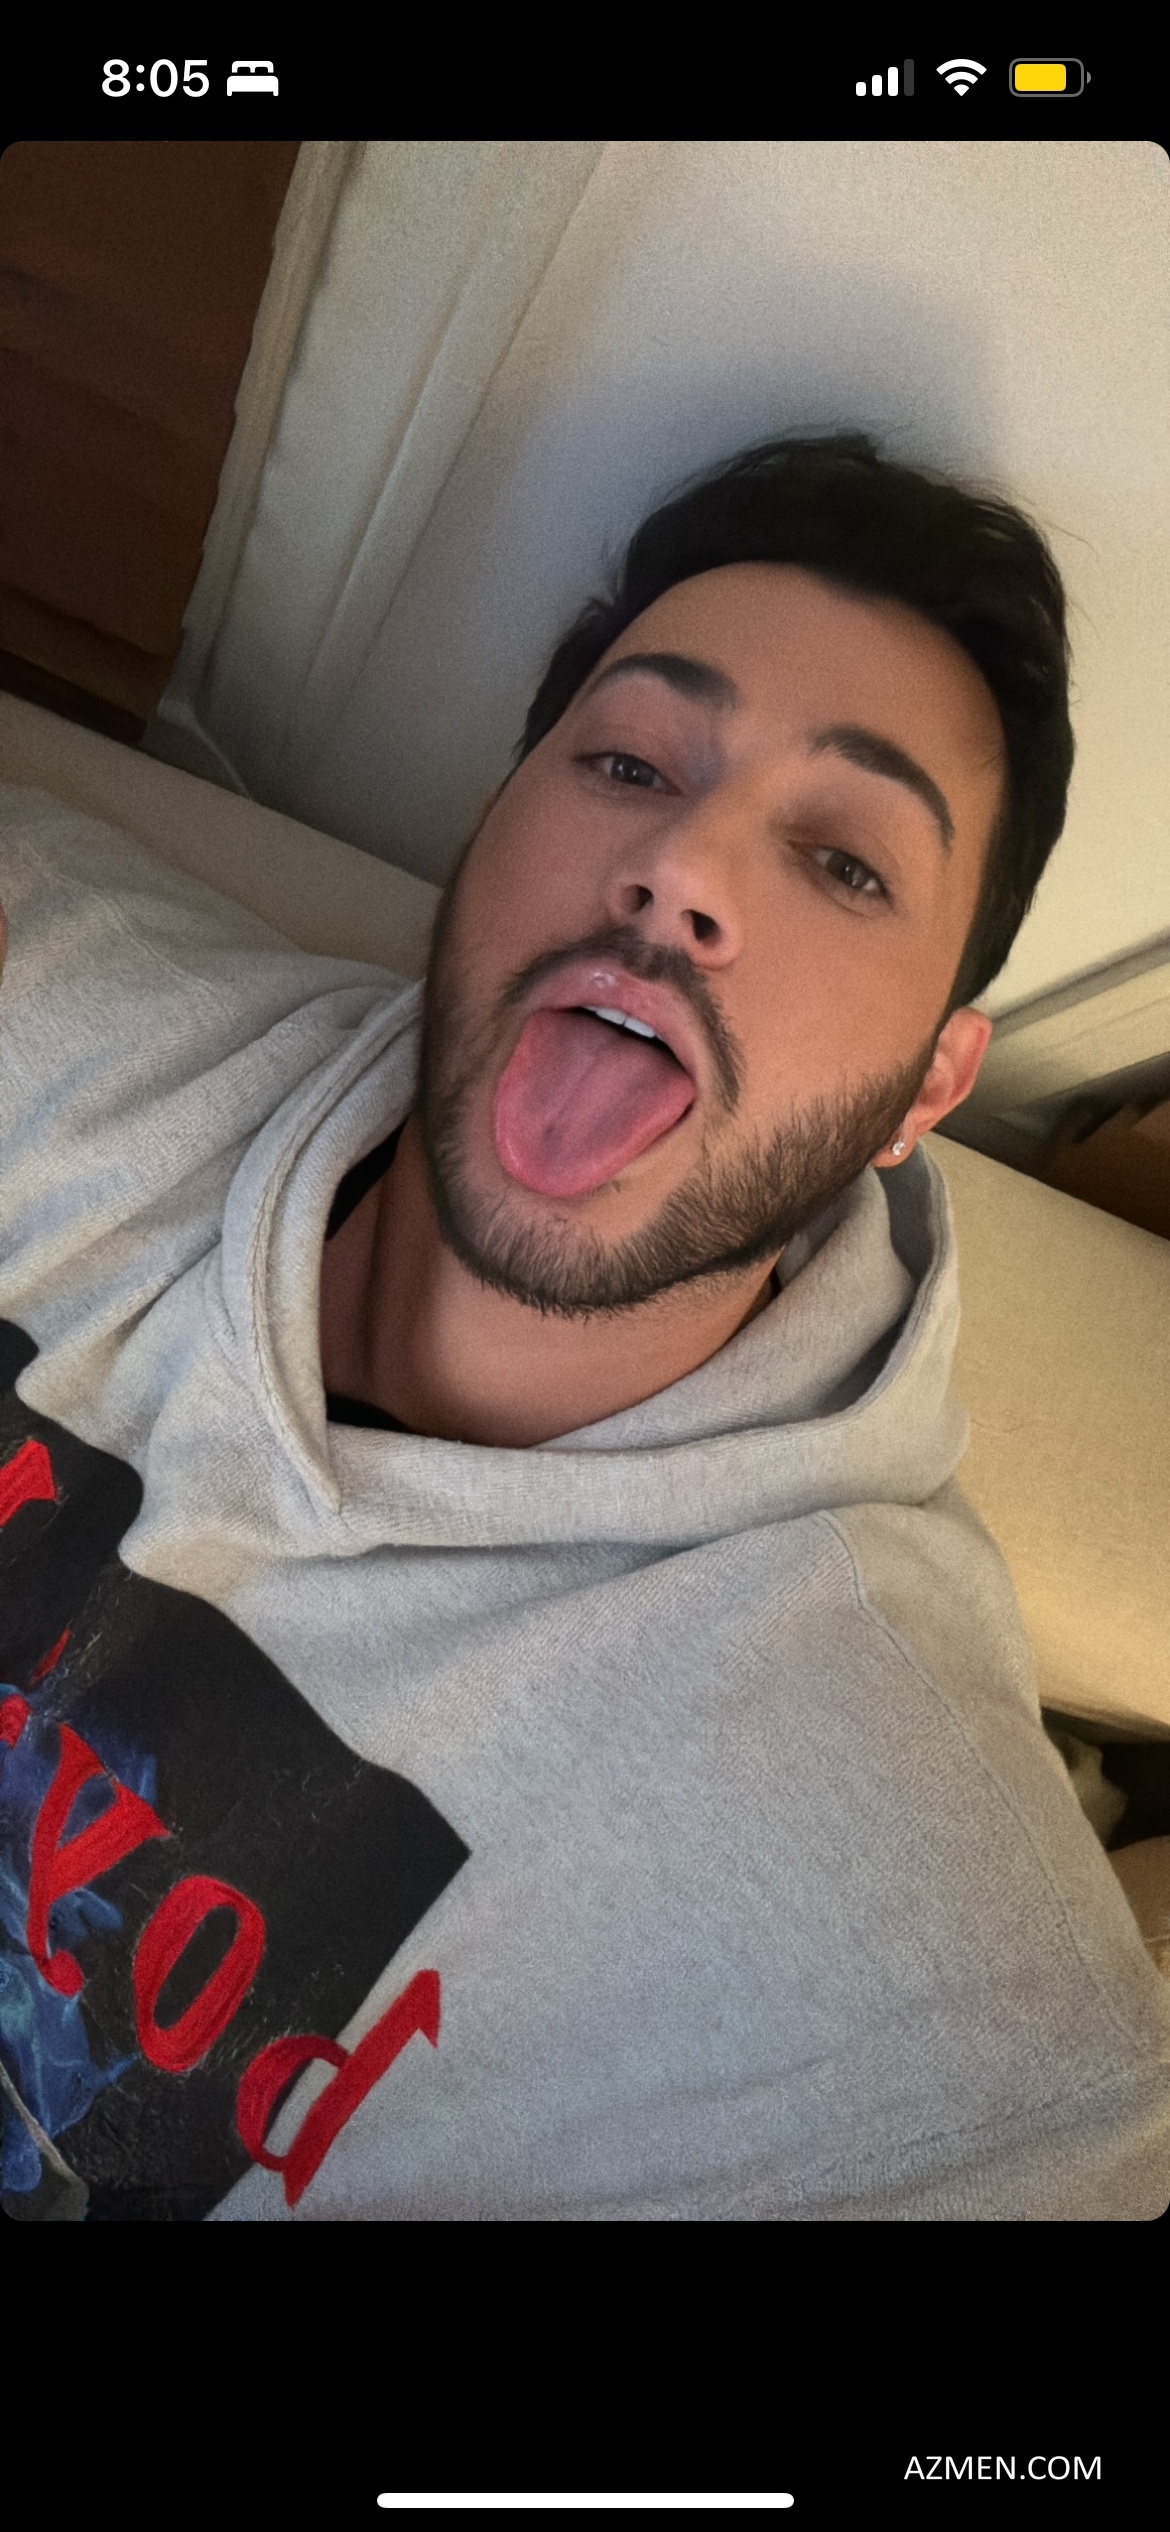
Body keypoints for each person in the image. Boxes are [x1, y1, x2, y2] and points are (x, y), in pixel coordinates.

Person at [1, 434, 1167, 2222]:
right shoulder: (81, 1030)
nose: (682, 865)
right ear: (488, 836)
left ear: (927, 1088)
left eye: (844, 863)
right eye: (628, 762)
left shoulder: (922, 1999)